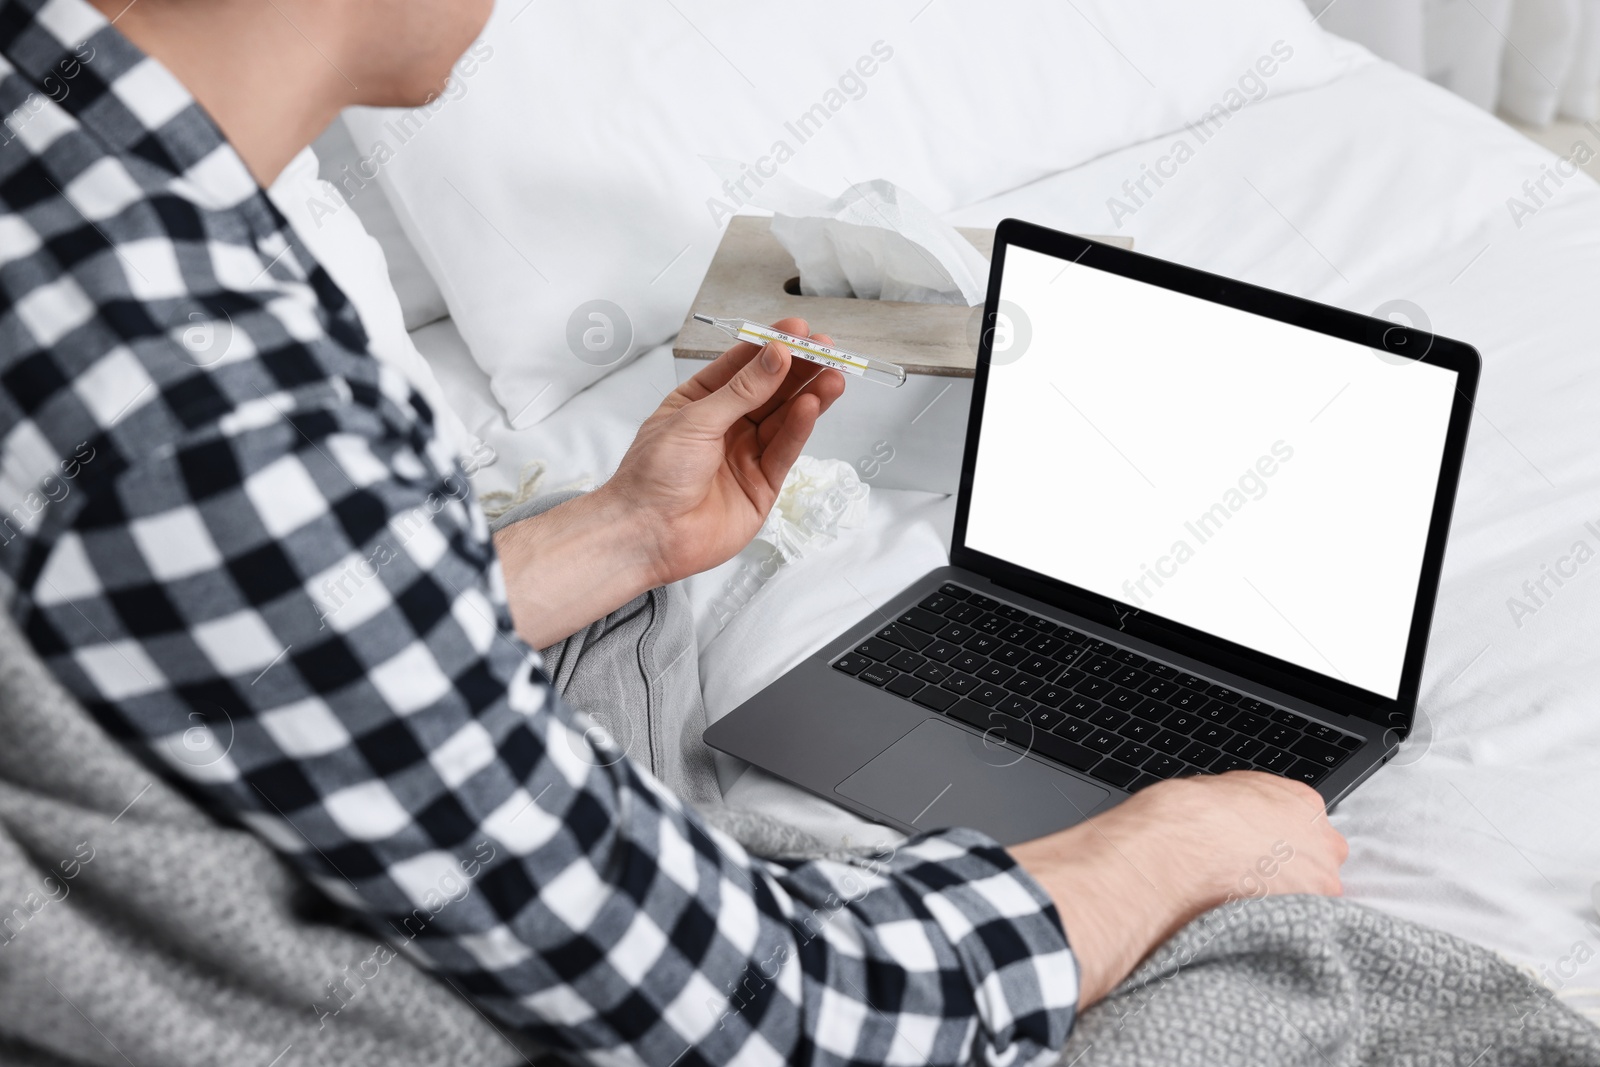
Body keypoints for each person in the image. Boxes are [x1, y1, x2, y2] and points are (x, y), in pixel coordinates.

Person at [0, 0, 1348, 1062]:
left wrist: (620, 537)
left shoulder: (71, 169)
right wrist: (1166, 849)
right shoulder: (201, 389)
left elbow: (249, 651)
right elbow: (758, 1013)